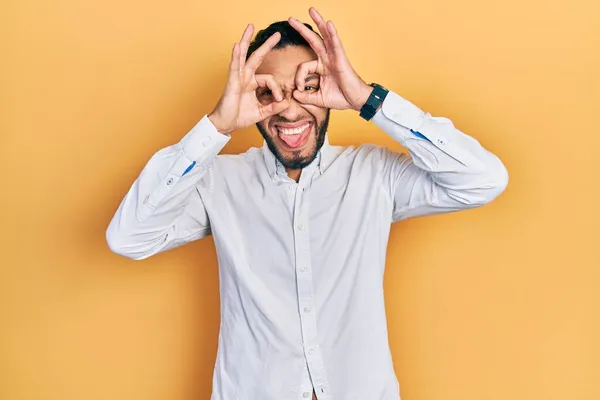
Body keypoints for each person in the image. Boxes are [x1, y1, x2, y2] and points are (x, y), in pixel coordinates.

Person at [106, 7, 508, 400]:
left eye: (309, 86)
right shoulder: (218, 182)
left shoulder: (374, 175)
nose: (291, 109)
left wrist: (368, 98)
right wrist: (217, 125)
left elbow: (483, 180)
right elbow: (129, 238)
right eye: (270, 92)